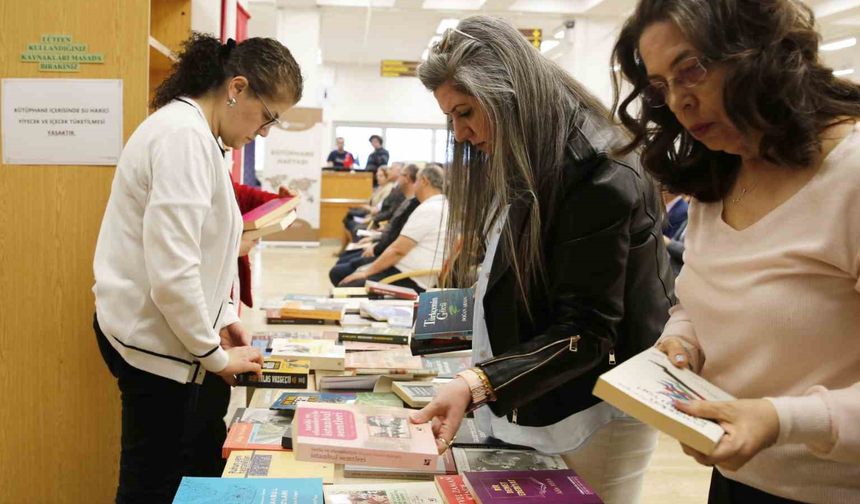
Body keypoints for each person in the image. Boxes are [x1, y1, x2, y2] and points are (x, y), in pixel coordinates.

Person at [407, 17, 674, 504]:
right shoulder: (528, 150)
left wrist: (480, 380)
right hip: (534, 397)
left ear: (508, 92)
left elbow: (588, 330)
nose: (462, 134)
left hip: (591, 412)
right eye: (452, 119)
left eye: (466, 112)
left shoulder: (596, 173)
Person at [611, 1, 860, 503]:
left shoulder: (850, 177)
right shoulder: (722, 171)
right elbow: (699, 300)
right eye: (662, 86)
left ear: (761, 52)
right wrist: (682, 343)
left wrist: (779, 420)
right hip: (737, 476)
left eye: (692, 69)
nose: (679, 100)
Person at [92, 33, 303, 503]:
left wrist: (226, 321)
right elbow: (173, 272)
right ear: (238, 88)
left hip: (173, 336)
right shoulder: (183, 138)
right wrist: (215, 355)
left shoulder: (199, 136)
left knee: (196, 459)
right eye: (268, 117)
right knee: (155, 483)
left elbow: (206, 255)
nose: (264, 132)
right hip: (156, 344)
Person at [339, 165, 448, 293]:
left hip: (408, 278)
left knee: (345, 286)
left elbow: (398, 250)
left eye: (417, 181)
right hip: (410, 272)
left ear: (424, 181)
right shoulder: (442, 204)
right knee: (350, 273)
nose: (414, 186)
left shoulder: (429, 209)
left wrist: (366, 273)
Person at [329, 164, 421, 286]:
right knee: (343, 261)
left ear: (407, 178)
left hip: (391, 257)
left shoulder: (415, 206)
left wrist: (375, 244)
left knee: (339, 271)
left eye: (400, 174)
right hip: (384, 245)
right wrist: (375, 239)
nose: (397, 177)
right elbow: (393, 230)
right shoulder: (408, 201)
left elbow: (397, 244)